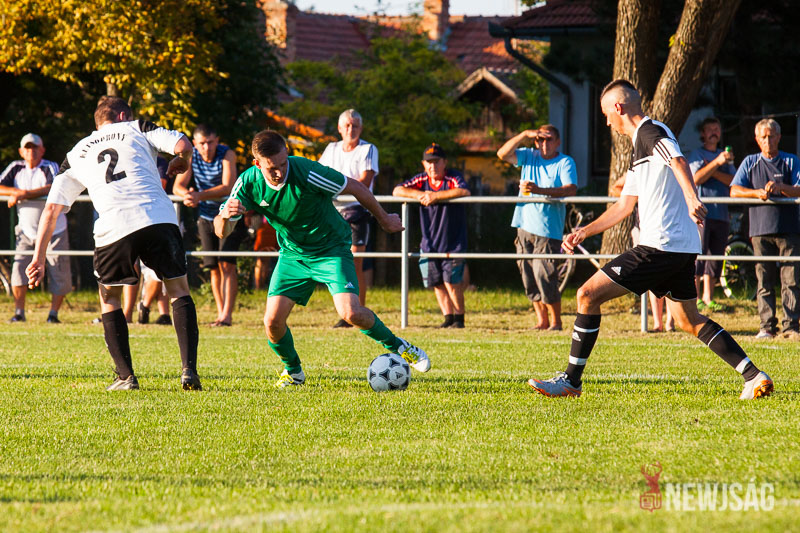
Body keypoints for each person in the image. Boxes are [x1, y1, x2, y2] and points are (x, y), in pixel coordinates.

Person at [528, 79, 772, 400]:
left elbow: (678, 161)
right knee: (688, 319)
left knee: (587, 295)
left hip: (660, 245)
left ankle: (571, 381)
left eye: (606, 114)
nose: (606, 122)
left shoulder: (650, 131)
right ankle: (754, 376)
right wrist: (585, 231)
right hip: (679, 247)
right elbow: (624, 206)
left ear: (618, 107)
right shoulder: (639, 148)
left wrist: (692, 199)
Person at [214, 130, 429, 387]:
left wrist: (384, 219)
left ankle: (401, 347)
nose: (280, 172)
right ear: (257, 164)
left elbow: (356, 186)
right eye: (272, 168)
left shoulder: (307, 171)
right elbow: (221, 231)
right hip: (293, 255)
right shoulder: (248, 182)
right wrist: (225, 216)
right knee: (272, 322)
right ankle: (294, 372)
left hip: (331, 249)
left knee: (350, 312)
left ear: (287, 154)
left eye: (283, 163)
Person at [26, 96, 202, 392]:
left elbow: (52, 210)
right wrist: (182, 160)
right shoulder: (137, 127)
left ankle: (125, 376)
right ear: (122, 116)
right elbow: (183, 143)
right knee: (178, 289)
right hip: (158, 217)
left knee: (110, 299)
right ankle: (188, 371)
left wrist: (38, 258)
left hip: (114, 227)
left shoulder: (77, 151)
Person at [497, 125, 577, 331]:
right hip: (523, 224)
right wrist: (524, 134)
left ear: (558, 142)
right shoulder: (529, 155)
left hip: (548, 228)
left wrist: (539, 190)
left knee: (545, 275)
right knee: (528, 275)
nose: (544, 144)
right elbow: (502, 154)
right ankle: (542, 321)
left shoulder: (565, 162)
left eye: (549, 139)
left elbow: (571, 189)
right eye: (540, 139)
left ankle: (556, 321)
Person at [730, 118, 800, 339]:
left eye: (771, 136)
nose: (768, 141)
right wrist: (756, 193)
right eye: (763, 137)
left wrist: (781, 188)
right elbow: (734, 190)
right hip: (760, 229)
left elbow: (799, 189)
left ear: (779, 137)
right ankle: (767, 326)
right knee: (764, 280)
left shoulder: (791, 161)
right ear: (757, 139)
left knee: (791, 280)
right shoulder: (750, 162)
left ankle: (791, 327)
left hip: (789, 229)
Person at [393, 143, 471, 328]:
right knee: (436, 282)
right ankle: (448, 318)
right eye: (429, 162)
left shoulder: (452, 177)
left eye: (436, 161)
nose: (432, 166)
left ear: (445, 162)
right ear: (423, 164)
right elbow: (397, 190)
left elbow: (464, 191)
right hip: (429, 243)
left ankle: (459, 319)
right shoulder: (421, 180)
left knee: (451, 282)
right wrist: (421, 195)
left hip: (453, 242)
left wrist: (436, 196)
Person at [173, 124, 242, 327]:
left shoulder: (227, 154)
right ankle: (220, 314)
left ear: (217, 141)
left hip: (228, 215)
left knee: (227, 264)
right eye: (202, 143)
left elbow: (228, 186)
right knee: (213, 267)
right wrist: (187, 195)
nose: (207, 147)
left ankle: (227, 315)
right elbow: (177, 186)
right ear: (195, 143)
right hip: (205, 217)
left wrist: (199, 195)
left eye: (211, 142)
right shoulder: (191, 156)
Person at [0, 133, 72, 324]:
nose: (31, 151)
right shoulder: (16, 168)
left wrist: (23, 194)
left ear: (42, 150)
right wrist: (15, 192)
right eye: (27, 147)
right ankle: (19, 312)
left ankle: (53, 315)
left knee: (59, 272)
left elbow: (54, 187)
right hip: (26, 231)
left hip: (54, 231)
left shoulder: (50, 167)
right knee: (19, 270)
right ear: (21, 151)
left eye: (35, 147)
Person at [319, 109, 379, 327]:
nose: (350, 129)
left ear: (361, 128)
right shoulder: (331, 149)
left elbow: (364, 182)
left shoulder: (368, 149)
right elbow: (319, 175)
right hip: (332, 212)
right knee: (336, 263)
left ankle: (358, 311)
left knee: (355, 263)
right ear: (339, 128)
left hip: (357, 211)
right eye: (347, 125)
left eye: (355, 125)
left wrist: (334, 188)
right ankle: (345, 312)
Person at [688, 117, 736, 313]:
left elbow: (733, 181)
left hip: (721, 213)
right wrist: (717, 163)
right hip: (701, 213)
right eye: (710, 129)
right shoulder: (697, 154)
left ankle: (709, 297)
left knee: (715, 257)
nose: (714, 132)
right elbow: (695, 178)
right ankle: (696, 297)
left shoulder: (726, 156)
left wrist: (712, 170)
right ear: (703, 133)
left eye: (717, 128)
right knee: (698, 255)